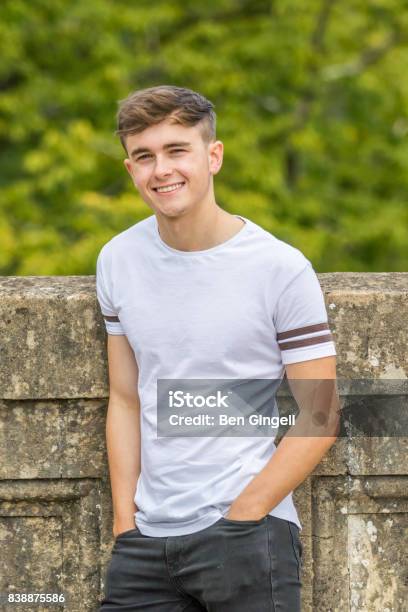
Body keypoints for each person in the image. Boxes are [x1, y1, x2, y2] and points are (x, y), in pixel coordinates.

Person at [96, 85, 339, 611]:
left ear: (213, 155)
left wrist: (245, 514)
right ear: (130, 169)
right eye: (144, 156)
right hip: (145, 546)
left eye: (176, 150)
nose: (160, 170)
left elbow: (320, 413)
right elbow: (126, 399)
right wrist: (125, 525)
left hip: (246, 537)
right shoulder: (118, 260)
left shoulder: (279, 268)